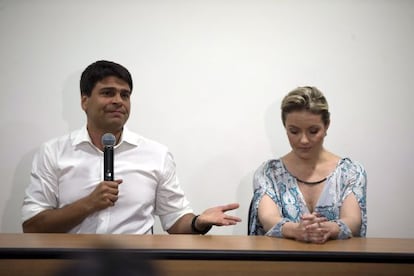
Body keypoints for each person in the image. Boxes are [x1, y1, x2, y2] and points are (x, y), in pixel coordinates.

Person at [22, 60, 240, 234]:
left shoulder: (156, 154)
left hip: (135, 265)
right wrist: (88, 204)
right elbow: (32, 226)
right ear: (84, 101)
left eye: (124, 95)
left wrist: (198, 222)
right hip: (71, 265)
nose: (118, 100)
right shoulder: (53, 152)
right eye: (108, 93)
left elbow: (175, 219)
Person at [248, 86, 367, 243]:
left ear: (327, 126)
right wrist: (296, 230)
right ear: (285, 127)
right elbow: (268, 218)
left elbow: (353, 220)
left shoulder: (351, 172)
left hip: (338, 265)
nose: (303, 140)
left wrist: (328, 229)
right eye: (294, 131)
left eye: (313, 131)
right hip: (280, 266)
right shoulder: (268, 173)